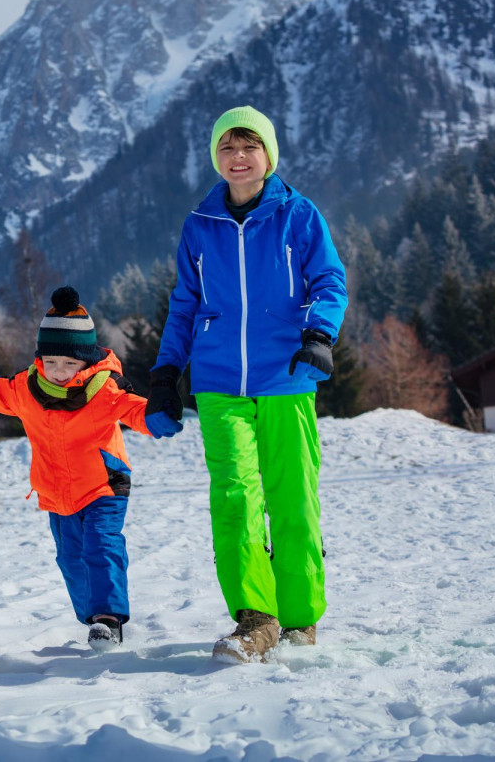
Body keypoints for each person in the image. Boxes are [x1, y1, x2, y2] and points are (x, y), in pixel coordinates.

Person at [148, 106, 347, 663]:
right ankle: (256, 618)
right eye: (227, 148)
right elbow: (184, 304)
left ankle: (300, 617)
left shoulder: (299, 215)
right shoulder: (199, 225)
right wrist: (166, 373)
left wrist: (319, 335)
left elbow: (329, 280)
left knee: (292, 497)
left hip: (287, 377)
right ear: (216, 157)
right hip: (218, 384)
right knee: (235, 497)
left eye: (249, 147)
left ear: (268, 155)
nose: (238, 158)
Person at [0, 286, 182, 649]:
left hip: (104, 484)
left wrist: (155, 417)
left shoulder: (103, 389)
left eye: (70, 364)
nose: (59, 371)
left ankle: (108, 618)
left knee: (101, 545)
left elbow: (132, 408)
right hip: (58, 493)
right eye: (51, 362)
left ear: (86, 361)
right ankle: (93, 618)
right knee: (71, 560)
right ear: (41, 359)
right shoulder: (27, 389)